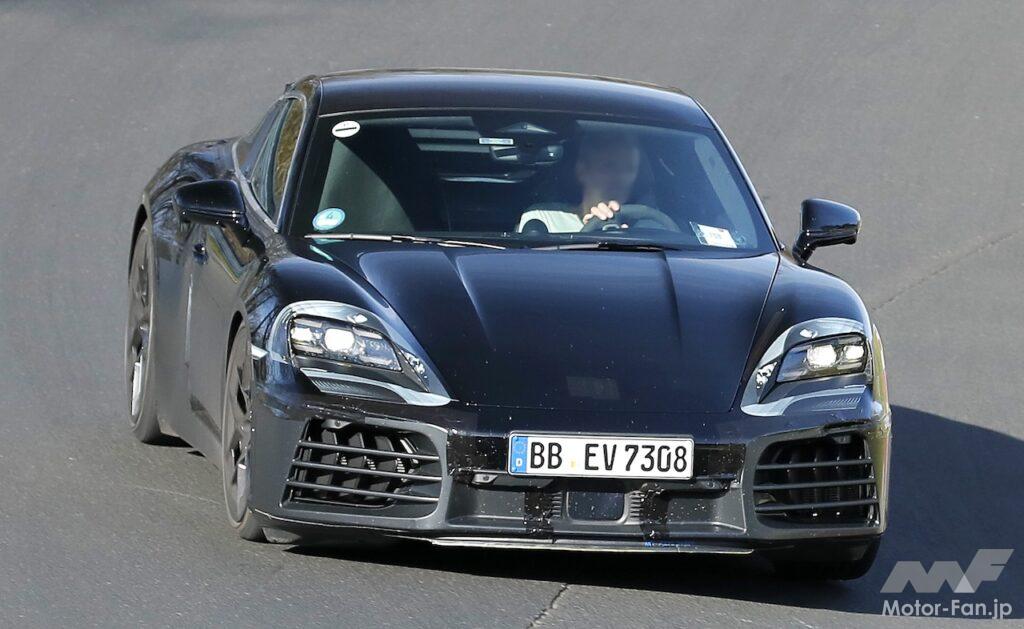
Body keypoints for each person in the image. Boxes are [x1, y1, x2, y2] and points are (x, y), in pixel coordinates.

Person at [517, 130, 640, 233]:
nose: (621, 177)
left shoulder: (645, 228)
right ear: (582, 171)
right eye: (609, 166)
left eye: (629, 168)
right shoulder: (545, 219)